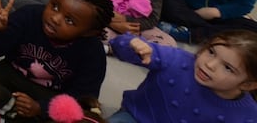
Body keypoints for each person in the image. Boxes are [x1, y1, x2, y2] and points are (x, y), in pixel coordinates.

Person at [0, 0, 113, 122]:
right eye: (55, 6)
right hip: (10, 74)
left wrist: (41, 108)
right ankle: (10, 107)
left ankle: (4, 108)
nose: (55, 18)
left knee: (74, 115)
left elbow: (84, 97)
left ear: (90, 32)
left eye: (69, 20)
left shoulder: (93, 53)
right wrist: (0, 32)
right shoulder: (30, 14)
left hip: (50, 96)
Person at [109, 30, 257, 122]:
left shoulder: (248, 114)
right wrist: (133, 44)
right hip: (135, 117)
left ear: (247, 85)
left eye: (227, 68)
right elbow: (119, 46)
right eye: (211, 52)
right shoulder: (176, 59)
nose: (210, 65)